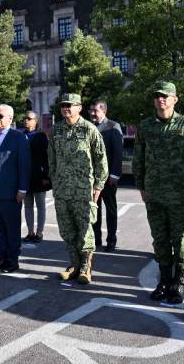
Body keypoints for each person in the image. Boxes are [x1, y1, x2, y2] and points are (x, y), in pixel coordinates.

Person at [133, 81, 184, 304]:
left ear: (175, 99)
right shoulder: (145, 126)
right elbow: (138, 159)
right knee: (160, 240)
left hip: (179, 196)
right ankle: (164, 281)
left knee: (180, 240)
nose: (161, 99)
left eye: (165, 96)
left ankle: (179, 282)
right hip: (154, 195)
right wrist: (141, 187)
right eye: (157, 96)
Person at [49, 94, 108, 284]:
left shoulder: (89, 129)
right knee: (67, 230)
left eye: (70, 105)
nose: (65, 108)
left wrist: (98, 186)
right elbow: (52, 159)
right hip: (62, 190)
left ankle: (85, 268)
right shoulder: (56, 130)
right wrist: (55, 181)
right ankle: (73, 264)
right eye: (63, 105)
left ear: (79, 107)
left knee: (85, 231)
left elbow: (101, 160)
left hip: (83, 191)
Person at [0, 104, 31, 273]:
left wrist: (22, 189)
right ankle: (1, 257)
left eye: (0, 116)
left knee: (12, 229)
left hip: (10, 193)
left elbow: (24, 165)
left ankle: (12, 260)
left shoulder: (18, 138)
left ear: (10, 118)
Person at [89, 100, 124, 252]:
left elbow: (118, 153)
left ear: (104, 111)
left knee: (110, 210)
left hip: (108, 177)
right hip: (92, 177)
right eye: (91, 110)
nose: (92, 113)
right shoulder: (89, 127)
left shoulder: (113, 126)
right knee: (94, 208)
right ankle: (96, 239)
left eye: (95, 110)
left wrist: (115, 174)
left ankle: (111, 240)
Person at [21, 111, 51, 243]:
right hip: (25, 176)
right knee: (27, 206)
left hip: (39, 176)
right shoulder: (20, 136)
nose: (26, 120)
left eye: (29, 118)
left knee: (40, 206)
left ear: (36, 121)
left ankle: (39, 232)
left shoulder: (41, 136)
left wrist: (46, 176)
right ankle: (30, 232)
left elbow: (46, 158)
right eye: (25, 118)